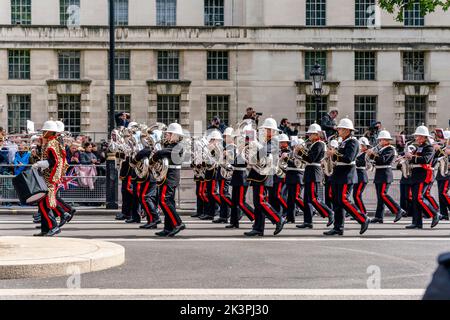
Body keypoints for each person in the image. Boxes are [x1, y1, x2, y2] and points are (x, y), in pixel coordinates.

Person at [324, 118, 369, 236]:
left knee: (344, 200)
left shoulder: (353, 142)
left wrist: (335, 153)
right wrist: (331, 154)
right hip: (338, 173)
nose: (338, 130)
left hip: (346, 174)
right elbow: (337, 158)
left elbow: (349, 158)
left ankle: (362, 218)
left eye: (340, 129)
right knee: (337, 202)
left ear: (347, 130)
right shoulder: (342, 142)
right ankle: (338, 227)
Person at [245, 117, 286, 237]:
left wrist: (253, 143)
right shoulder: (265, 141)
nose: (264, 131)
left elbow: (263, 153)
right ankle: (258, 228)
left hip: (264, 174)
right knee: (257, 203)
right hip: (258, 173)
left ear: (273, 131)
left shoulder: (274, 140)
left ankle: (278, 219)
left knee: (261, 201)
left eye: (267, 129)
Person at [297, 123, 334, 229]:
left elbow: (311, 158)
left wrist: (301, 152)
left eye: (311, 134)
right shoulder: (313, 144)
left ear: (317, 134)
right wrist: (300, 152)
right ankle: (308, 221)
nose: (309, 136)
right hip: (310, 171)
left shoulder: (319, 144)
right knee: (307, 200)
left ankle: (329, 213)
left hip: (314, 172)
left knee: (314, 198)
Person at [31, 120, 65, 236]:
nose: (43, 132)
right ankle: (45, 229)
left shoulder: (52, 143)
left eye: (45, 131)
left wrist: (39, 164)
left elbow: (53, 161)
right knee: (42, 204)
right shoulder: (49, 142)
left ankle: (53, 226)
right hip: (45, 177)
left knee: (45, 204)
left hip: (49, 178)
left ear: (50, 132)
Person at [153, 123, 186, 237]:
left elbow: (162, 153)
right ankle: (168, 227)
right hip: (167, 175)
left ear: (175, 135)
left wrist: (156, 154)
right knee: (167, 202)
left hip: (171, 176)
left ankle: (178, 223)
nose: (166, 135)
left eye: (169, 133)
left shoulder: (178, 146)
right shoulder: (169, 145)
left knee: (164, 200)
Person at [404, 125, 439, 229]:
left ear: (424, 137)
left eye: (419, 136)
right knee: (415, 199)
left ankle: (434, 214)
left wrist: (412, 157)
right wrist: (406, 157)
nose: (416, 138)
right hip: (416, 175)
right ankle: (417, 222)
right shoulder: (418, 147)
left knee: (419, 198)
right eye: (417, 136)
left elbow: (426, 159)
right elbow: (413, 159)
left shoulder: (429, 147)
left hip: (423, 175)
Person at [366, 130, 405, 224]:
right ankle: (379, 216)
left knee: (383, 194)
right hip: (379, 173)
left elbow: (382, 160)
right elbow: (376, 160)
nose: (379, 142)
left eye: (381, 140)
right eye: (379, 140)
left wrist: (372, 154)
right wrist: (370, 156)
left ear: (387, 140)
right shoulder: (381, 149)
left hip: (385, 173)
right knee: (380, 197)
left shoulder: (390, 149)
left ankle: (398, 209)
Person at [226, 125, 255, 229]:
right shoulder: (238, 149)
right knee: (234, 201)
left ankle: (254, 216)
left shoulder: (247, 149)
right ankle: (234, 222)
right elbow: (233, 163)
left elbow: (242, 163)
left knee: (240, 202)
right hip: (236, 176)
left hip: (243, 176)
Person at [199, 130, 222, 221]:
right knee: (209, 194)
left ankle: (225, 208)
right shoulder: (210, 148)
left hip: (214, 172)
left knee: (213, 193)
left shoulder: (218, 148)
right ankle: (210, 213)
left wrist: (211, 151)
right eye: (211, 139)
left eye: (212, 139)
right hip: (208, 172)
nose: (210, 141)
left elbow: (217, 160)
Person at [213, 127, 234, 224]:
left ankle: (236, 209)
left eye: (226, 136)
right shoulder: (227, 147)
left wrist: (225, 154)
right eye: (224, 136)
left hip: (227, 173)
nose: (225, 138)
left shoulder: (232, 147)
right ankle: (223, 216)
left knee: (224, 194)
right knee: (222, 195)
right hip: (222, 172)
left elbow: (233, 161)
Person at [284, 136, 306, 224]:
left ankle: (308, 210)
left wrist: (286, 159)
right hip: (290, 177)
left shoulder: (302, 153)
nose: (294, 147)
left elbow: (296, 164)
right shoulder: (292, 152)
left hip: (297, 177)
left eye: (296, 146)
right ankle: (290, 218)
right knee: (290, 200)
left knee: (296, 198)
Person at [353, 137, 370, 217]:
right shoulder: (358, 153)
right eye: (360, 145)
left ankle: (363, 213)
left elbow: (361, 163)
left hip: (361, 176)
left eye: (363, 145)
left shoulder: (366, 154)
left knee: (357, 195)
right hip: (357, 176)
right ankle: (359, 213)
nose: (361, 147)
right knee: (355, 196)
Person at [435, 130, 450, 220]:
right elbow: (436, 157)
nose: (441, 140)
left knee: (443, 193)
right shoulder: (444, 148)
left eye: (443, 138)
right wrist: (437, 149)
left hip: (448, 173)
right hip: (441, 173)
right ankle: (444, 214)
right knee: (440, 195)